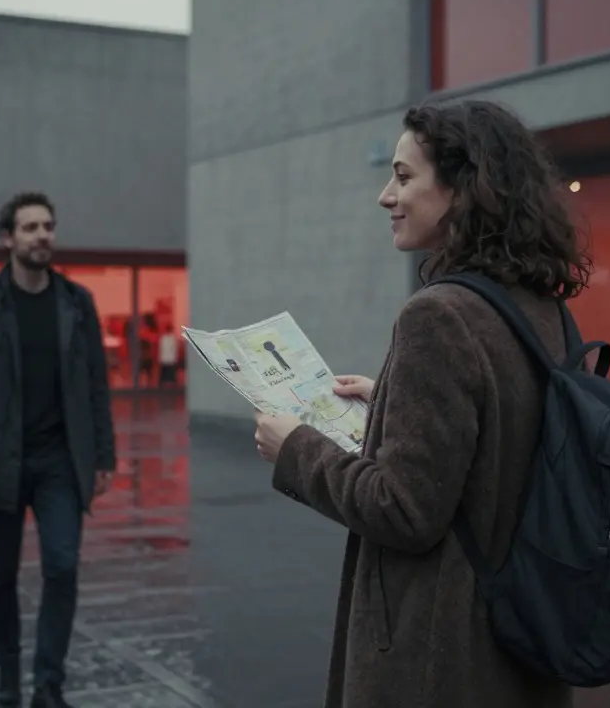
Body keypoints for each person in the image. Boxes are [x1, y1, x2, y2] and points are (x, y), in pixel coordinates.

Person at [252, 100, 588, 707]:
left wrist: (295, 450)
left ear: (463, 189)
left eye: (404, 177)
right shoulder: (544, 309)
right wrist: (394, 402)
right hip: (526, 636)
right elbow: (509, 431)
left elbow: (403, 510)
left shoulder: (438, 316)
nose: (386, 196)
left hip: (439, 655)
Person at [0, 191, 117, 708]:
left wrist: (103, 455)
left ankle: (48, 683)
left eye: (48, 226)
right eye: (31, 227)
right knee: (1, 576)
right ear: (7, 238)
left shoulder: (76, 303)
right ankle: (9, 674)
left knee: (62, 566)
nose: (43, 235)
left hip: (61, 460)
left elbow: (95, 387)